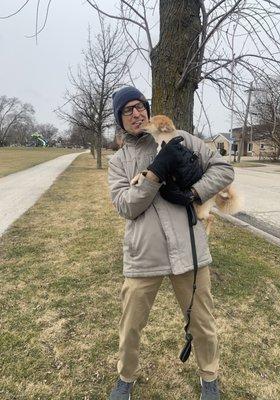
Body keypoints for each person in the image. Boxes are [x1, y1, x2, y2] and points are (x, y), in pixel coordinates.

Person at [107, 86, 234, 400]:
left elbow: (224, 169)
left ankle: (210, 379)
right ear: (120, 120)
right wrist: (155, 174)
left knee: (202, 322)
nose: (137, 113)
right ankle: (125, 377)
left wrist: (194, 193)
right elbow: (126, 206)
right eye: (128, 110)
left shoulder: (182, 138)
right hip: (143, 254)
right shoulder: (119, 162)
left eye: (141, 106)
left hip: (188, 247)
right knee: (131, 326)